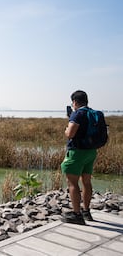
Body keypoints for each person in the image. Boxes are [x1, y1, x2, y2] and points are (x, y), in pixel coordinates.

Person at [61, 90, 97, 225]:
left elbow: (70, 134)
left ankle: (77, 215)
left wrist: (67, 126)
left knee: (72, 183)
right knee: (86, 182)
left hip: (77, 152)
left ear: (75, 102)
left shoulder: (77, 114)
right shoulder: (93, 113)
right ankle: (86, 211)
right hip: (91, 152)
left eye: (73, 102)